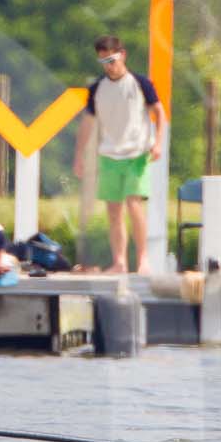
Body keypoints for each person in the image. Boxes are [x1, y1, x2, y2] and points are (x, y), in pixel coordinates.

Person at [77, 33, 165, 273]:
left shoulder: (140, 83)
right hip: (110, 154)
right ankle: (120, 261)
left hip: (136, 152)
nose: (110, 67)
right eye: (104, 62)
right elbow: (87, 123)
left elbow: (159, 112)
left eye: (112, 60)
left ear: (122, 55)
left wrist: (158, 143)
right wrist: (80, 156)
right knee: (113, 211)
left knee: (134, 204)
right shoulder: (97, 88)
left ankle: (143, 258)